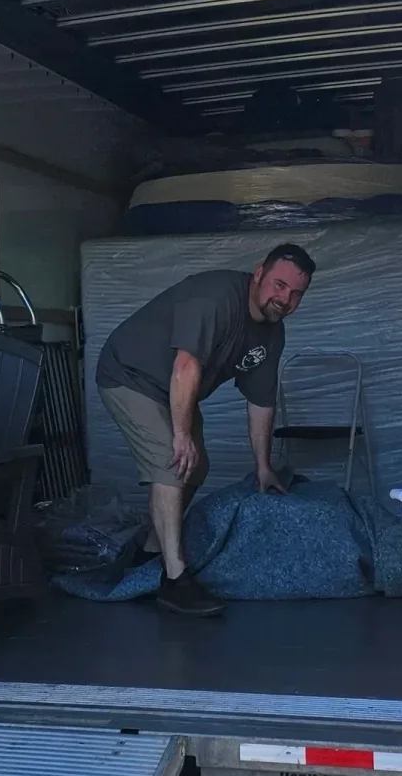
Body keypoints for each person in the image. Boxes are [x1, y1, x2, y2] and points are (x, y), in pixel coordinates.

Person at [94, 243, 316, 617]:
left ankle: (151, 547)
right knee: (173, 461)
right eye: (279, 285)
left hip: (172, 387)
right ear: (259, 272)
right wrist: (180, 436)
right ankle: (174, 580)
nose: (285, 299)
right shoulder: (214, 299)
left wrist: (263, 466)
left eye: (296, 293)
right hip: (129, 374)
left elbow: (261, 399)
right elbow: (186, 367)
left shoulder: (271, 334)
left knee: (196, 468)